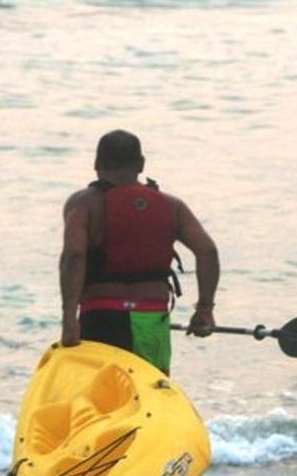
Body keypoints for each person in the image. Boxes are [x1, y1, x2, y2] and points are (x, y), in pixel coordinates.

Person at [59, 130, 219, 374]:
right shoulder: (171, 206)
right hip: (150, 317)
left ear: (96, 164)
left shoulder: (83, 204)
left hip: (101, 317)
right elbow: (207, 251)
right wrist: (204, 309)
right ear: (141, 164)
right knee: (150, 392)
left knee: (101, 396)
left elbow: (74, 255)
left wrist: (69, 319)